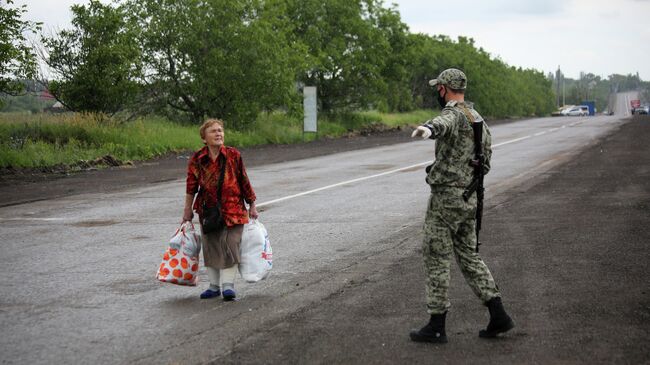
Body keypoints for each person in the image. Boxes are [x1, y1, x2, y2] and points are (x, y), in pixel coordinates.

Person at [409, 68, 514, 343]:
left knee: (436, 255)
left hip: (446, 200)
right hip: (470, 199)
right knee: (469, 256)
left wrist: (428, 129)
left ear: (444, 88)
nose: (437, 92)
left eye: (438, 88)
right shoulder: (478, 118)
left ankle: (436, 323)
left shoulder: (453, 113)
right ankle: (498, 313)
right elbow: (485, 162)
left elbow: (443, 123)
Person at [182, 118, 258, 301]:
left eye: (220, 131)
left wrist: (252, 204)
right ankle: (214, 286)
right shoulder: (197, 159)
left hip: (234, 210)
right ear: (204, 138)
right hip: (208, 211)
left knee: (231, 245)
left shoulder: (233, 155)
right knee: (211, 247)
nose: (218, 134)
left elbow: (244, 180)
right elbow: (191, 186)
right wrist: (187, 210)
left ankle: (228, 286)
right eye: (213, 131)